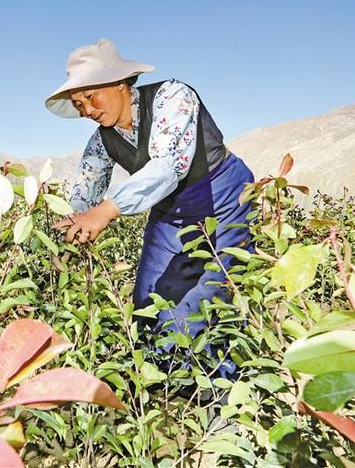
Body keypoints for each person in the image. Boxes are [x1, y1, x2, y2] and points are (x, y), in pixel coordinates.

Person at [48, 39, 254, 377]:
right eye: (79, 104)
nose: (87, 110)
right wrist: (71, 234)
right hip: (170, 211)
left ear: (119, 83)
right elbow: (86, 191)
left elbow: (167, 166)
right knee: (150, 299)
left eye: (91, 97)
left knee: (208, 298)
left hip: (222, 197)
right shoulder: (102, 140)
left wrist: (107, 210)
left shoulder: (172, 97)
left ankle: (219, 391)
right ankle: (165, 382)